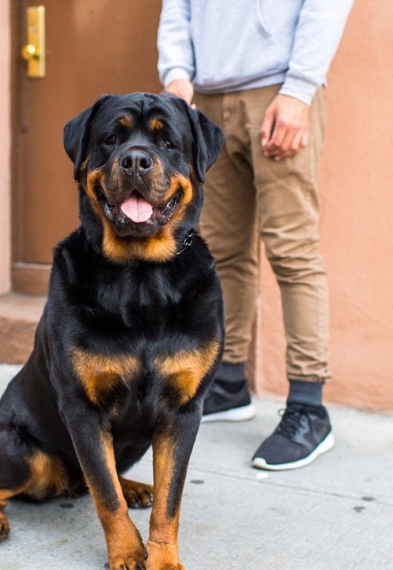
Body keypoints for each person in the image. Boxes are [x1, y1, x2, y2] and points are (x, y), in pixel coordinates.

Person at [157, 0, 355, 470]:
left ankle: (309, 407)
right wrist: (176, 74)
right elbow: (177, 7)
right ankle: (227, 384)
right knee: (220, 251)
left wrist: (301, 89)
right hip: (203, 98)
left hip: (277, 90)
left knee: (292, 250)